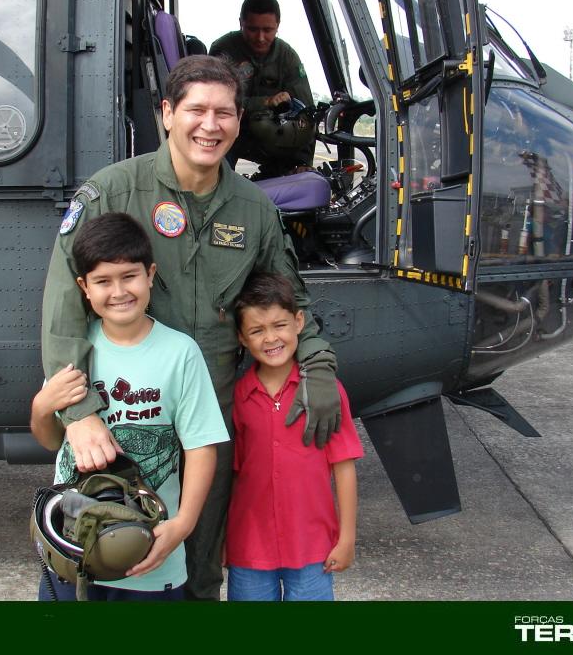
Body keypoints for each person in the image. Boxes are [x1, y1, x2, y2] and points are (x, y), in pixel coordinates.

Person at [32, 54, 342, 601]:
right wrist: (78, 417)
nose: (211, 125)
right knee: (99, 558)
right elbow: (65, 311)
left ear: (238, 123)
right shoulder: (111, 193)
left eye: (224, 113)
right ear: (167, 114)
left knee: (199, 566)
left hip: (209, 421)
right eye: (196, 109)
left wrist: (316, 363)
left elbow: (289, 300)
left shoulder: (254, 210)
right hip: (122, 421)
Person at [33, 212, 228, 601]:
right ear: (83, 287)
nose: (119, 291)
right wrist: (42, 406)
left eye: (129, 276)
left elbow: (201, 446)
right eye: (103, 281)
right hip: (73, 555)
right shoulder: (72, 351)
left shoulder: (180, 353)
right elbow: (50, 438)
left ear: (150, 275)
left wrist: (184, 524)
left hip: (150, 557)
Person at [225, 272, 362, 601]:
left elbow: (344, 467)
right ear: (242, 337)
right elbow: (231, 475)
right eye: (257, 330)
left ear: (299, 321)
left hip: (312, 547)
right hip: (249, 547)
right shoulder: (238, 397)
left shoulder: (326, 393)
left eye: (279, 325)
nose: (270, 338)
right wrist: (221, 540)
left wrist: (347, 539)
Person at [209, 0, 315, 177]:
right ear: (240, 22)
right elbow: (217, 102)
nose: (260, 38)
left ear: (277, 26)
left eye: (267, 30)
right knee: (214, 174)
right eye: (252, 29)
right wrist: (264, 102)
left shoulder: (287, 57)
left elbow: (305, 115)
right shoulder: (224, 50)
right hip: (229, 132)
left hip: (271, 136)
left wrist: (302, 163)